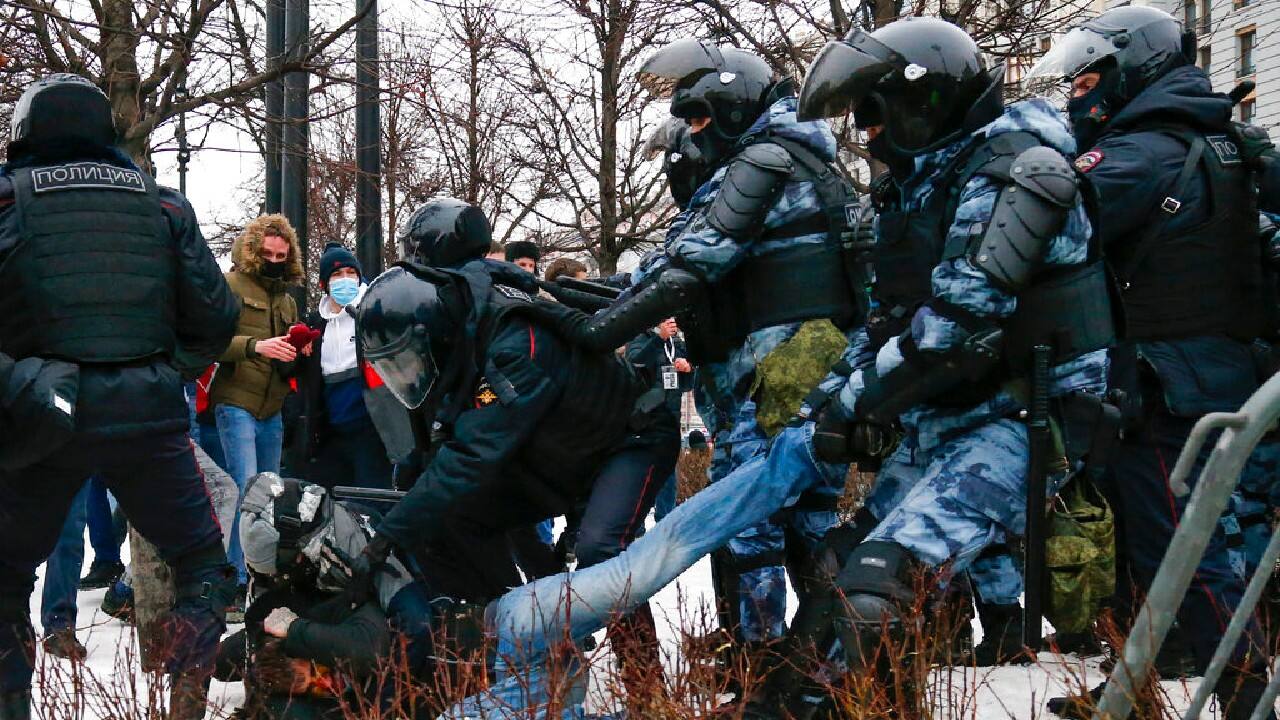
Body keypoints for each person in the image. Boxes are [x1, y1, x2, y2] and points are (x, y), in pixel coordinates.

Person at [1026, 7, 1273, 717]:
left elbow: (1045, 231)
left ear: (1133, 72)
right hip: (1198, 372)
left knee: (1183, 551)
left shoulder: (1139, 154)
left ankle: (1248, 697)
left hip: (1165, 381)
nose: (1078, 96)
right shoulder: (1210, 138)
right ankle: (1131, 689)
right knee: (1153, 544)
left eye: (1088, 81)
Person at [0, 74, 240, 720]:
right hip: (147, 417)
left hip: (41, 420)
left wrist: (24, 384)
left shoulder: (7, 199)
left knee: (4, 580)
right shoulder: (163, 205)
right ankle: (186, 698)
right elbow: (216, 319)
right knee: (203, 569)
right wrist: (162, 371)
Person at [210, 213, 306, 608]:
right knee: (244, 490)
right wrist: (255, 346)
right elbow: (210, 342)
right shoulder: (230, 286)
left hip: (272, 407)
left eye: (281, 255)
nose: (274, 261)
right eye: (267, 254)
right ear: (253, 251)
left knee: (268, 497)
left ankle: (260, 576)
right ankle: (235, 580)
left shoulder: (286, 300)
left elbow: (286, 359)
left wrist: (298, 351)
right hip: (236, 401)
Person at [298, 243, 397, 491]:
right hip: (331, 431)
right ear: (324, 283)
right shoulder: (316, 324)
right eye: (337, 274)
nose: (345, 279)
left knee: (370, 497)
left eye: (351, 273)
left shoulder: (375, 311)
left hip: (373, 428)